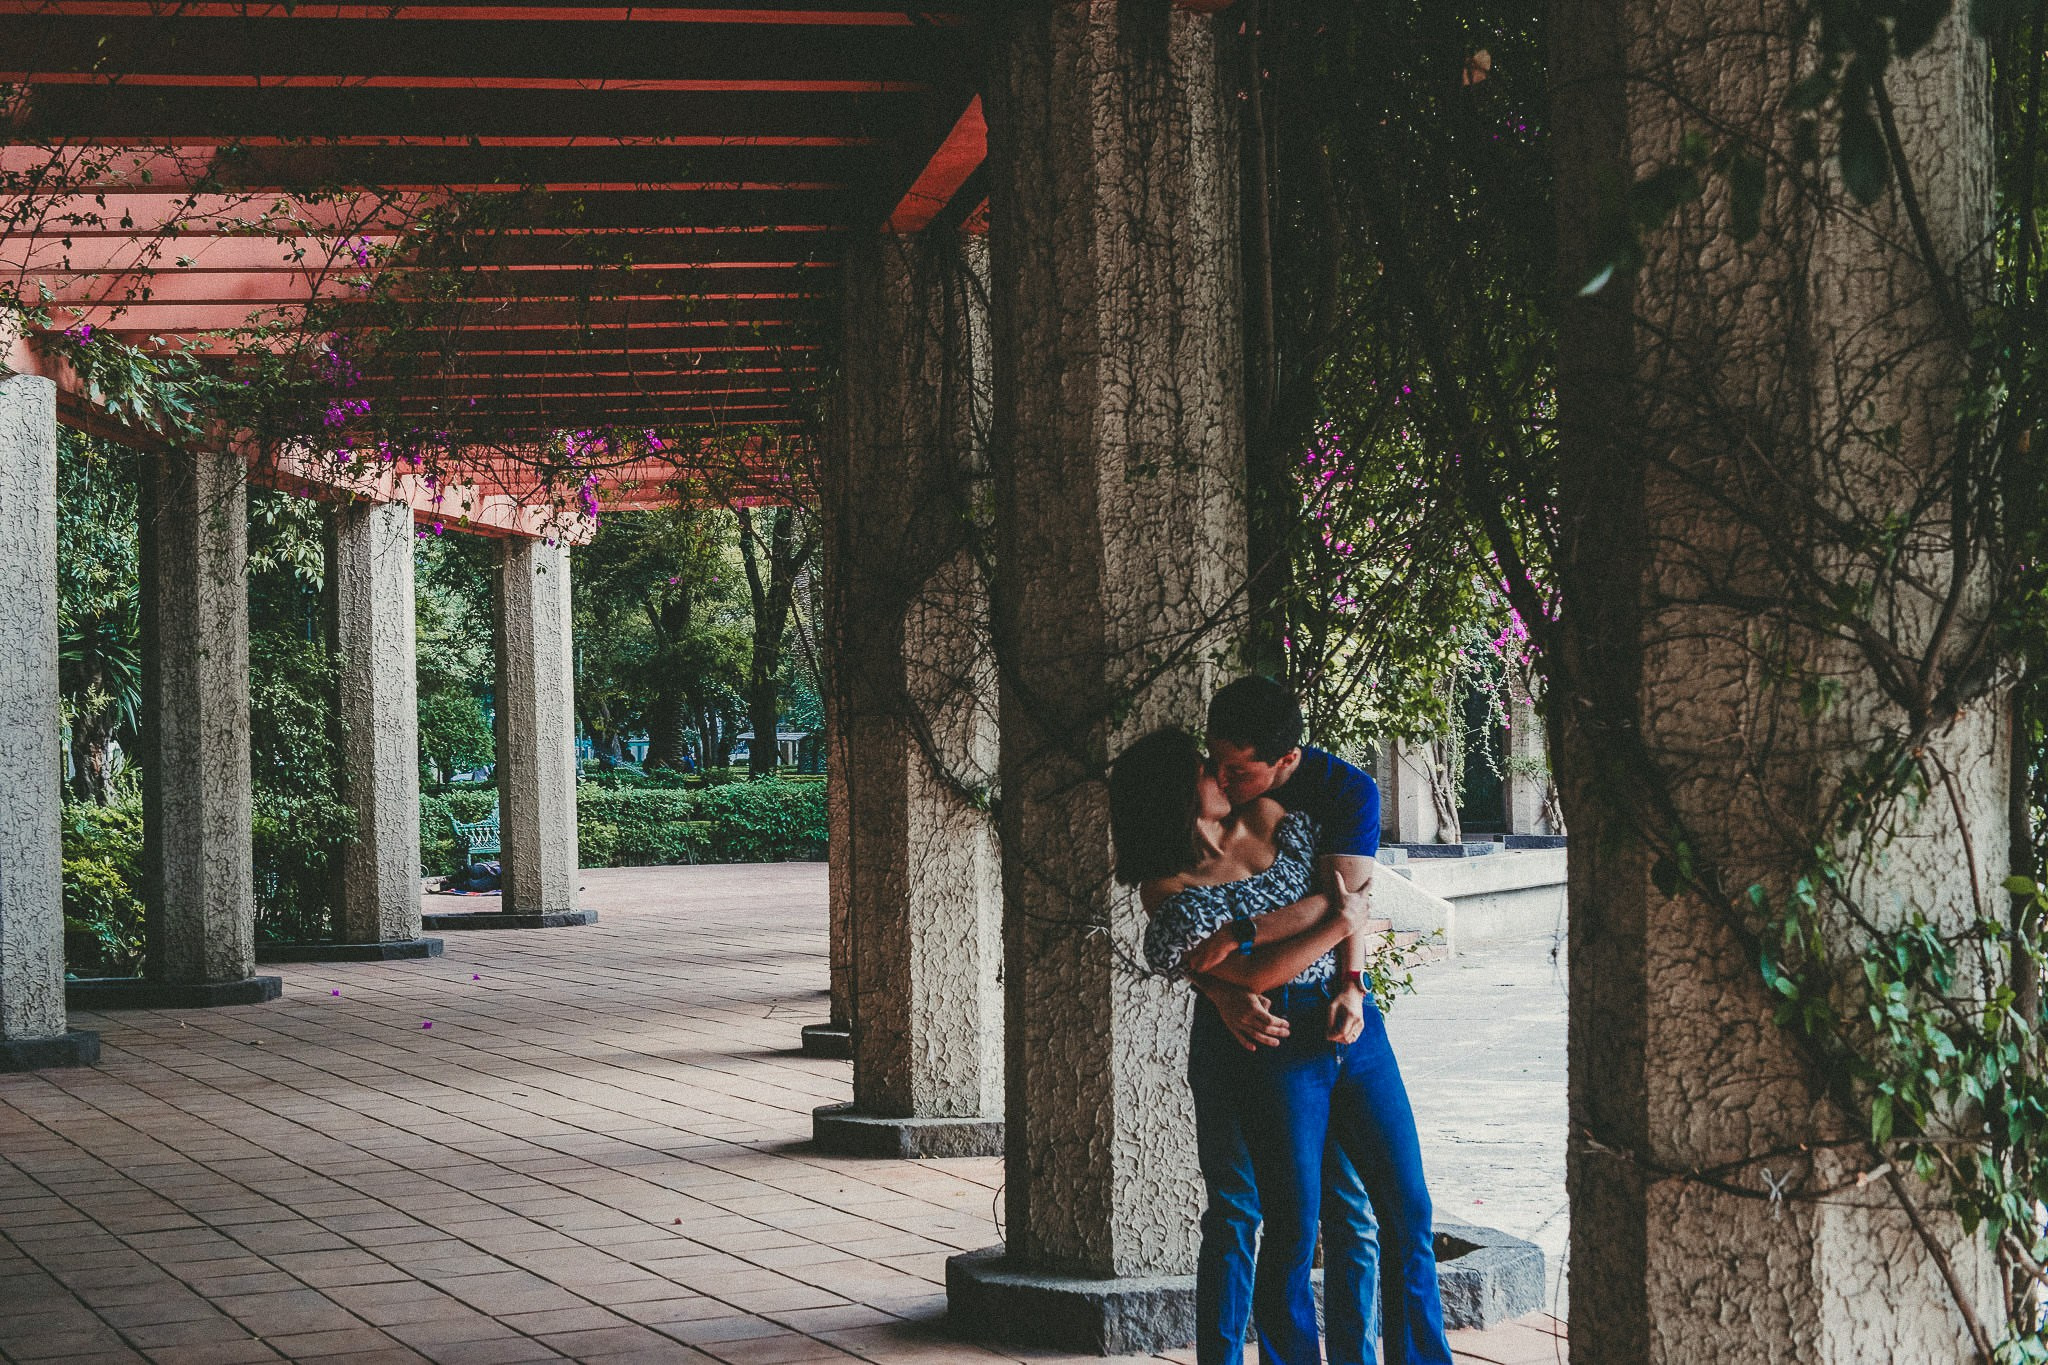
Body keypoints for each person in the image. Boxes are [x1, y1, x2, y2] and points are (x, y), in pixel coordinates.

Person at [1111, 725, 1453, 1365]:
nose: (1221, 773)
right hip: (1271, 1040)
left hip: (1348, 1021)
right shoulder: (1168, 886)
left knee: (1397, 1210)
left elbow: (1342, 886)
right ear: (1175, 793)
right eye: (1206, 768)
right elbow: (1263, 971)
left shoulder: (1270, 812)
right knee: (1276, 1222)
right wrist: (1333, 921)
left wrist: (1305, 951)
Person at [1190, 675, 1388, 1364]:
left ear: (1285, 760)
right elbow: (1181, 942)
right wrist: (1221, 992)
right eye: (1212, 763)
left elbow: (1345, 903)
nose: (1220, 777)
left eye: (1235, 768)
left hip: (1313, 1022)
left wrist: (1350, 983)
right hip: (1234, 1034)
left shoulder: (1319, 803)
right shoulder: (1180, 845)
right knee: (1239, 1210)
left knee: (1345, 1209)